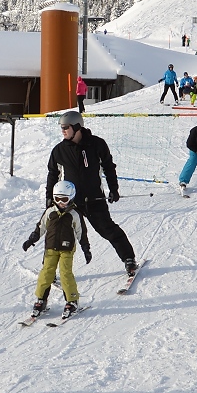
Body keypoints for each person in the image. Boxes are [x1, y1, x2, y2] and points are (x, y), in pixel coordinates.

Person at [47, 110, 138, 277]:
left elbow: (109, 167)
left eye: (66, 127)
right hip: (71, 202)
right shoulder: (59, 150)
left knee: (108, 230)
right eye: (61, 127)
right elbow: (53, 174)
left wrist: (114, 189)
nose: (63, 131)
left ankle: (129, 259)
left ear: (76, 126)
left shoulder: (97, 144)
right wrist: (49, 197)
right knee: (60, 235)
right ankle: (50, 271)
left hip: (94, 199)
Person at [22, 180, 90, 319]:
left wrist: (86, 248)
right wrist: (31, 240)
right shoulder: (50, 212)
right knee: (46, 273)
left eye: (64, 199)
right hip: (50, 248)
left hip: (67, 249)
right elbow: (40, 228)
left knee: (65, 273)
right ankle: (41, 300)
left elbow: (81, 232)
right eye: (57, 199)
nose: (60, 202)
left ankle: (72, 301)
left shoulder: (75, 214)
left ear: (71, 197)